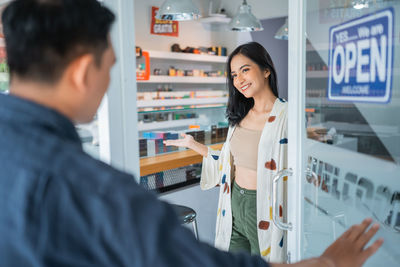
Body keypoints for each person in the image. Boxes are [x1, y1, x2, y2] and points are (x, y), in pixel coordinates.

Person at [0, 0, 382, 267]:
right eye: (112, 67)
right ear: (84, 72)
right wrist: (328, 263)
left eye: (245, 70)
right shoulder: (98, 192)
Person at [164, 42, 289, 262]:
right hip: (233, 202)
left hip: (262, 205)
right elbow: (227, 161)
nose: (239, 80)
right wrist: (193, 144)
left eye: (245, 70)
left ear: (266, 70)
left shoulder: (286, 114)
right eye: (234, 74)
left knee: (266, 262)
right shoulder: (241, 114)